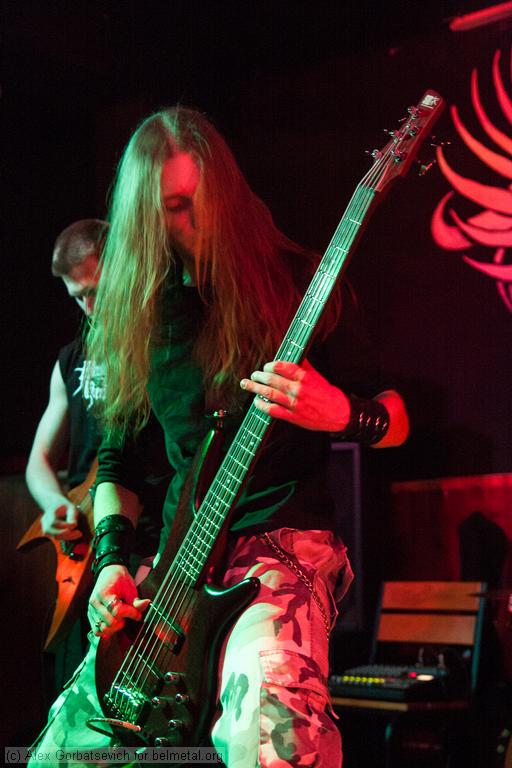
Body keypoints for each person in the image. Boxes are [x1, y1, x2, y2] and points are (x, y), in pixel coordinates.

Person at [30, 107, 409, 767]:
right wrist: (113, 561)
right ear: (145, 218)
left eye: (203, 200)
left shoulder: (300, 280)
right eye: (174, 208)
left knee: (269, 730)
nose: (197, 221)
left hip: (281, 546)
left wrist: (340, 413)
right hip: (175, 565)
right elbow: (117, 464)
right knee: (65, 749)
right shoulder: (141, 313)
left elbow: (395, 419)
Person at [25, 219, 108, 694]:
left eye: (95, 290)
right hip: (85, 542)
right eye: (78, 297)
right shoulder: (70, 359)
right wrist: (55, 503)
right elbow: (39, 459)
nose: (88, 307)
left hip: (145, 541)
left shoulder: (161, 347)